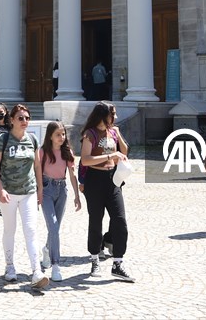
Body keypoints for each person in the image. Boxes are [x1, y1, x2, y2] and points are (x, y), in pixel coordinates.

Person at [0, 103, 48, 289]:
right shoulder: (3, 139)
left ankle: (36, 271)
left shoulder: (32, 139)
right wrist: (0, 189)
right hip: (8, 192)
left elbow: (37, 166)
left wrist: (40, 189)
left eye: (27, 118)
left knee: (31, 230)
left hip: (28, 192)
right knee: (10, 229)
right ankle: (10, 266)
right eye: (21, 118)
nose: (25, 121)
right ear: (12, 120)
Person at [79, 101, 134, 282]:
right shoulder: (90, 134)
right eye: (113, 114)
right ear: (103, 115)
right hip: (95, 180)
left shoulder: (113, 131)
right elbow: (86, 160)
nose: (115, 117)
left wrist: (118, 135)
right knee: (96, 220)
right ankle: (95, 258)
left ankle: (118, 262)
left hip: (113, 180)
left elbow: (125, 151)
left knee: (120, 220)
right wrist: (111, 155)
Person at [39, 120, 81, 282]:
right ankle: (56, 265)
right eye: (58, 134)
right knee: (54, 227)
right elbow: (37, 173)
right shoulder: (42, 152)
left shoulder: (67, 152)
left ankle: (47, 249)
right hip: (47, 189)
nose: (61, 137)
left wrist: (77, 196)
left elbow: (72, 174)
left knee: (54, 228)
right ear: (50, 136)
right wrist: (39, 192)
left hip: (61, 190)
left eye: (63, 134)